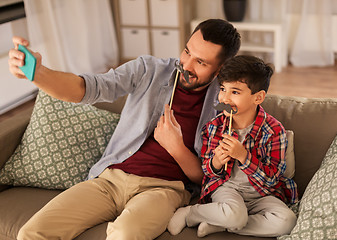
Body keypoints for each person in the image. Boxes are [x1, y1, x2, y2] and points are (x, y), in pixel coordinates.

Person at [8, 19, 240, 240]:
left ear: (220, 70)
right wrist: (39, 73)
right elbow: (87, 88)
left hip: (163, 190)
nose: (186, 65)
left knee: (125, 235)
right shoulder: (149, 70)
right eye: (187, 51)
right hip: (109, 180)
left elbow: (208, 177)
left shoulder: (225, 107)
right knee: (31, 233)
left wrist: (176, 147)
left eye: (201, 62)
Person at [167, 55, 298, 238]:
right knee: (234, 214)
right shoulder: (215, 127)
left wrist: (244, 157)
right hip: (228, 189)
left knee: (287, 221)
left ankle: (220, 224)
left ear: (258, 97)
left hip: (262, 194)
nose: (225, 98)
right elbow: (208, 172)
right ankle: (191, 213)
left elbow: (272, 180)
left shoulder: (274, 131)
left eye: (235, 92)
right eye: (222, 89)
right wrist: (216, 162)